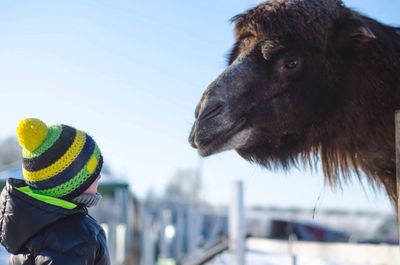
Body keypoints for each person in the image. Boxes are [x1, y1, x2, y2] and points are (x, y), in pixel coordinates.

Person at [0, 118, 111, 264]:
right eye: (92, 171)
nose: (99, 176)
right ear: (68, 183)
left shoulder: (27, 227)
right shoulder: (76, 235)